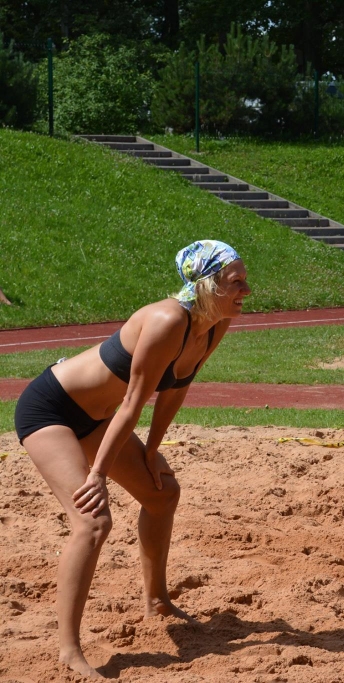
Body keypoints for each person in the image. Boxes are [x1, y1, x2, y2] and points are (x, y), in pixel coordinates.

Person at [14, 240, 250, 678]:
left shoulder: (215, 323)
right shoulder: (166, 320)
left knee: (163, 493)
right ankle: (68, 649)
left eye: (244, 280)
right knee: (93, 520)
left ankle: (157, 601)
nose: (246, 290)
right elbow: (132, 403)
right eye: (236, 281)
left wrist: (154, 451)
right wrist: (98, 473)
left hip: (98, 418)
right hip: (52, 410)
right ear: (207, 282)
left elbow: (176, 389)